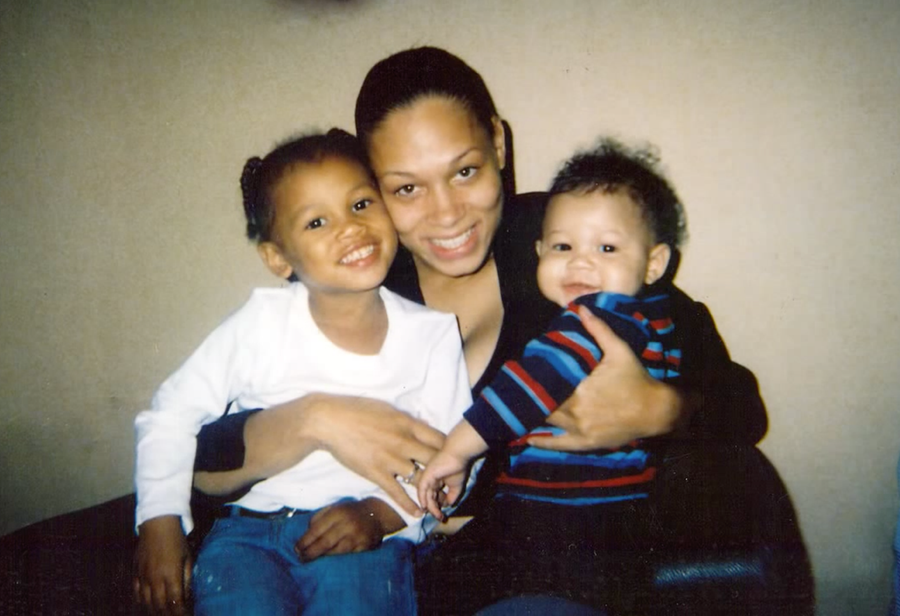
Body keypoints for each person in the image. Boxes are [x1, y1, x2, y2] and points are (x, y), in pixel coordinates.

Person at [186, 47, 766, 614]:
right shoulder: (353, 282)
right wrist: (315, 418)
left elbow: (740, 405)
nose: (447, 214)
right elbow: (200, 466)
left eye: (464, 171)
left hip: (530, 580)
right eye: (407, 188)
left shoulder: (574, 248)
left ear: (498, 143)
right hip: (368, 578)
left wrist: (661, 410)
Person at [132, 129, 473, 616]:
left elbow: (449, 460)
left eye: (360, 204)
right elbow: (170, 416)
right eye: (316, 221)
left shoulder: (433, 336)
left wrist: (376, 516)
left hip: (361, 539)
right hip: (247, 535)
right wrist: (160, 523)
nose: (349, 228)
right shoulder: (262, 322)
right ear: (277, 258)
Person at [416, 138, 685, 613]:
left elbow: (524, 389)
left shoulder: (601, 319)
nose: (580, 261)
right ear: (539, 251)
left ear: (654, 262)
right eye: (563, 246)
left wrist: (455, 451)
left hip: (566, 526)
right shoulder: (653, 320)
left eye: (606, 247)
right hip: (604, 523)